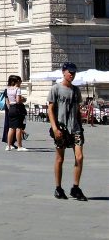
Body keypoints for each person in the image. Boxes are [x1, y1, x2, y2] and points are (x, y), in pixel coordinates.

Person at [48, 62, 86, 200]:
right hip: (61, 129)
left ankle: (75, 188)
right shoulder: (56, 89)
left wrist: (80, 126)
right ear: (63, 72)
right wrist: (54, 128)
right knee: (60, 158)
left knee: (79, 157)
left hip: (75, 128)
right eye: (70, 72)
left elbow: (77, 111)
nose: (72, 74)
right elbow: (50, 110)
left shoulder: (76, 91)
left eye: (74, 72)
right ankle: (58, 188)